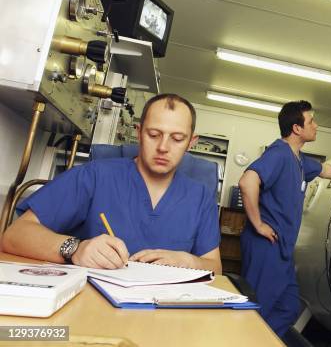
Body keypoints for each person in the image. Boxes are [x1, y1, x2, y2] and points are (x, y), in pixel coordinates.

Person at [1, 94, 221, 273]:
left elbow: (214, 266)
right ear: (139, 133)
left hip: (166, 313)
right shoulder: (96, 176)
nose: (163, 147)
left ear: (191, 142)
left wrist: (190, 262)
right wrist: (75, 249)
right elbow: (15, 235)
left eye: (177, 138)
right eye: (154, 134)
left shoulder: (200, 197)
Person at [239, 100, 331, 337]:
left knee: (289, 307)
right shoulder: (278, 154)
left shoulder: (298, 159)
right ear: (297, 128)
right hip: (266, 246)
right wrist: (258, 224)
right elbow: (247, 182)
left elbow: (324, 169)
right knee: (258, 309)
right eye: (311, 121)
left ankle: (260, 340)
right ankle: (245, 341)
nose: (316, 126)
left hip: (283, 249)